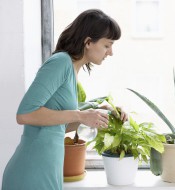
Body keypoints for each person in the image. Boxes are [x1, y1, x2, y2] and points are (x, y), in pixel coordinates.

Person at [2, 9, 128, 190]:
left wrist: (102, 113)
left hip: (47, 169)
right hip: (31, 171)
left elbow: (59, 125)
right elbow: (25, 114)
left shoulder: (72, 70)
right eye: (107, 45)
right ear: (88, 42)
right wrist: (80, 115)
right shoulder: (60, 62)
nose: (110, 53)